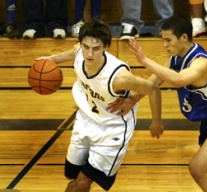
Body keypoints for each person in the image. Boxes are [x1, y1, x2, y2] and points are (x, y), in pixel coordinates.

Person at [108, 15, 207, 192]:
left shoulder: (201, 62)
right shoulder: (175, 58)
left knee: (198, 168)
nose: (165, 45)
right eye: (163, 40)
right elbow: (154, 82)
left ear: (183, 37)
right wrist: (132, 99)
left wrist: (145, 60)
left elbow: (178, 80)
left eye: (168, 40)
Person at [36, 19, 164, 191]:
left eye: (96, 48)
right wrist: (51, 60)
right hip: (86, 120)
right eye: (86, 46)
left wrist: (155, 121)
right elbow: (72, 52)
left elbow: (153, 89)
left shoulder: (119, 77)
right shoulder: (79, 52)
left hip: (113, 128)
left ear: (105, 47)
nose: (89, 54)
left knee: (82, 183)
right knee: (71, 175)